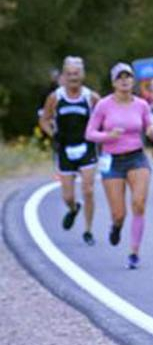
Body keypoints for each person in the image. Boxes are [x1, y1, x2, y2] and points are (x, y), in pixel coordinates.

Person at [85, 63, 153, 270]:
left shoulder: (141, 104)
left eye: (128, 77)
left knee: (139, 203)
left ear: (133, 80)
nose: (125, 80)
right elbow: (89, 133)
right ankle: (116, 227)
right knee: (119, 213)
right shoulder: (104, 105)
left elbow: (150, 125)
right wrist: (108, 136)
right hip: (112, 161)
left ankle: (134, 252)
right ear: (113, 82)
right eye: (120, 77)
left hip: (137, 158)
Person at [39, 56, 99, 245]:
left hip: (87, 147)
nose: (73, 77)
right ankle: (73, 209)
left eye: (76, 73)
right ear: (64, 76)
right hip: (65, 149)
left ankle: (88, 230)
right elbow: (44, 119)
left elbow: (104, 118)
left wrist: (101, 137)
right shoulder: (56, 97)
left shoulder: (91, 97)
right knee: (68, 196)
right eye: (69, 74)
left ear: (83, 75)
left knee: (88, 190)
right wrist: (52, 134)